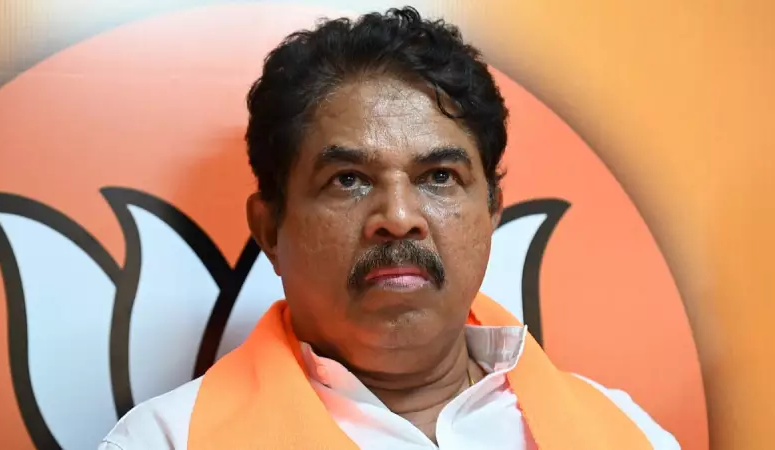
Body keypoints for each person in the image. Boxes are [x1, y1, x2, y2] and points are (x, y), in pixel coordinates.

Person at [100, 7, 679, 449]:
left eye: (439, 177)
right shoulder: (165, 441)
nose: (399, 218)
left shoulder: (626, 433)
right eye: (348, 179)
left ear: (492, 212)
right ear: (270, 229)